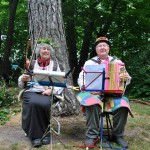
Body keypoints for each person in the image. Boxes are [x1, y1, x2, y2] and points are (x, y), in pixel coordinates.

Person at [77, 36, 133, 148]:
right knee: (91, 102)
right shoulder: (89, 63)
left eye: (105, 45)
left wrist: (126, 78)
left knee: (123, 104)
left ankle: (118, 135)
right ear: (96, 49)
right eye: (99, 46)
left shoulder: (117, 62)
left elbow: (126, 79)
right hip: (95, 95)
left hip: (113, 96)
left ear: (108, 48)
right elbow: (81, 79)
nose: (102, 47)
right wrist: (85, 86)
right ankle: (92, 136)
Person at [18, 42, 64, 147]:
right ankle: (35, 136)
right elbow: (22, 83)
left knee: (43, 103)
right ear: (39, 51)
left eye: (48, 49)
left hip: (49, 92)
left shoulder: (56, 65)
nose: (46, 51)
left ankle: (46, 132)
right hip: (32, 91)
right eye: (44, 49)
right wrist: (23, 79)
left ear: (50, 52)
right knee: (33, 103)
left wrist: (52, 90)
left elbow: (61, 83)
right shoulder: (31, 64)